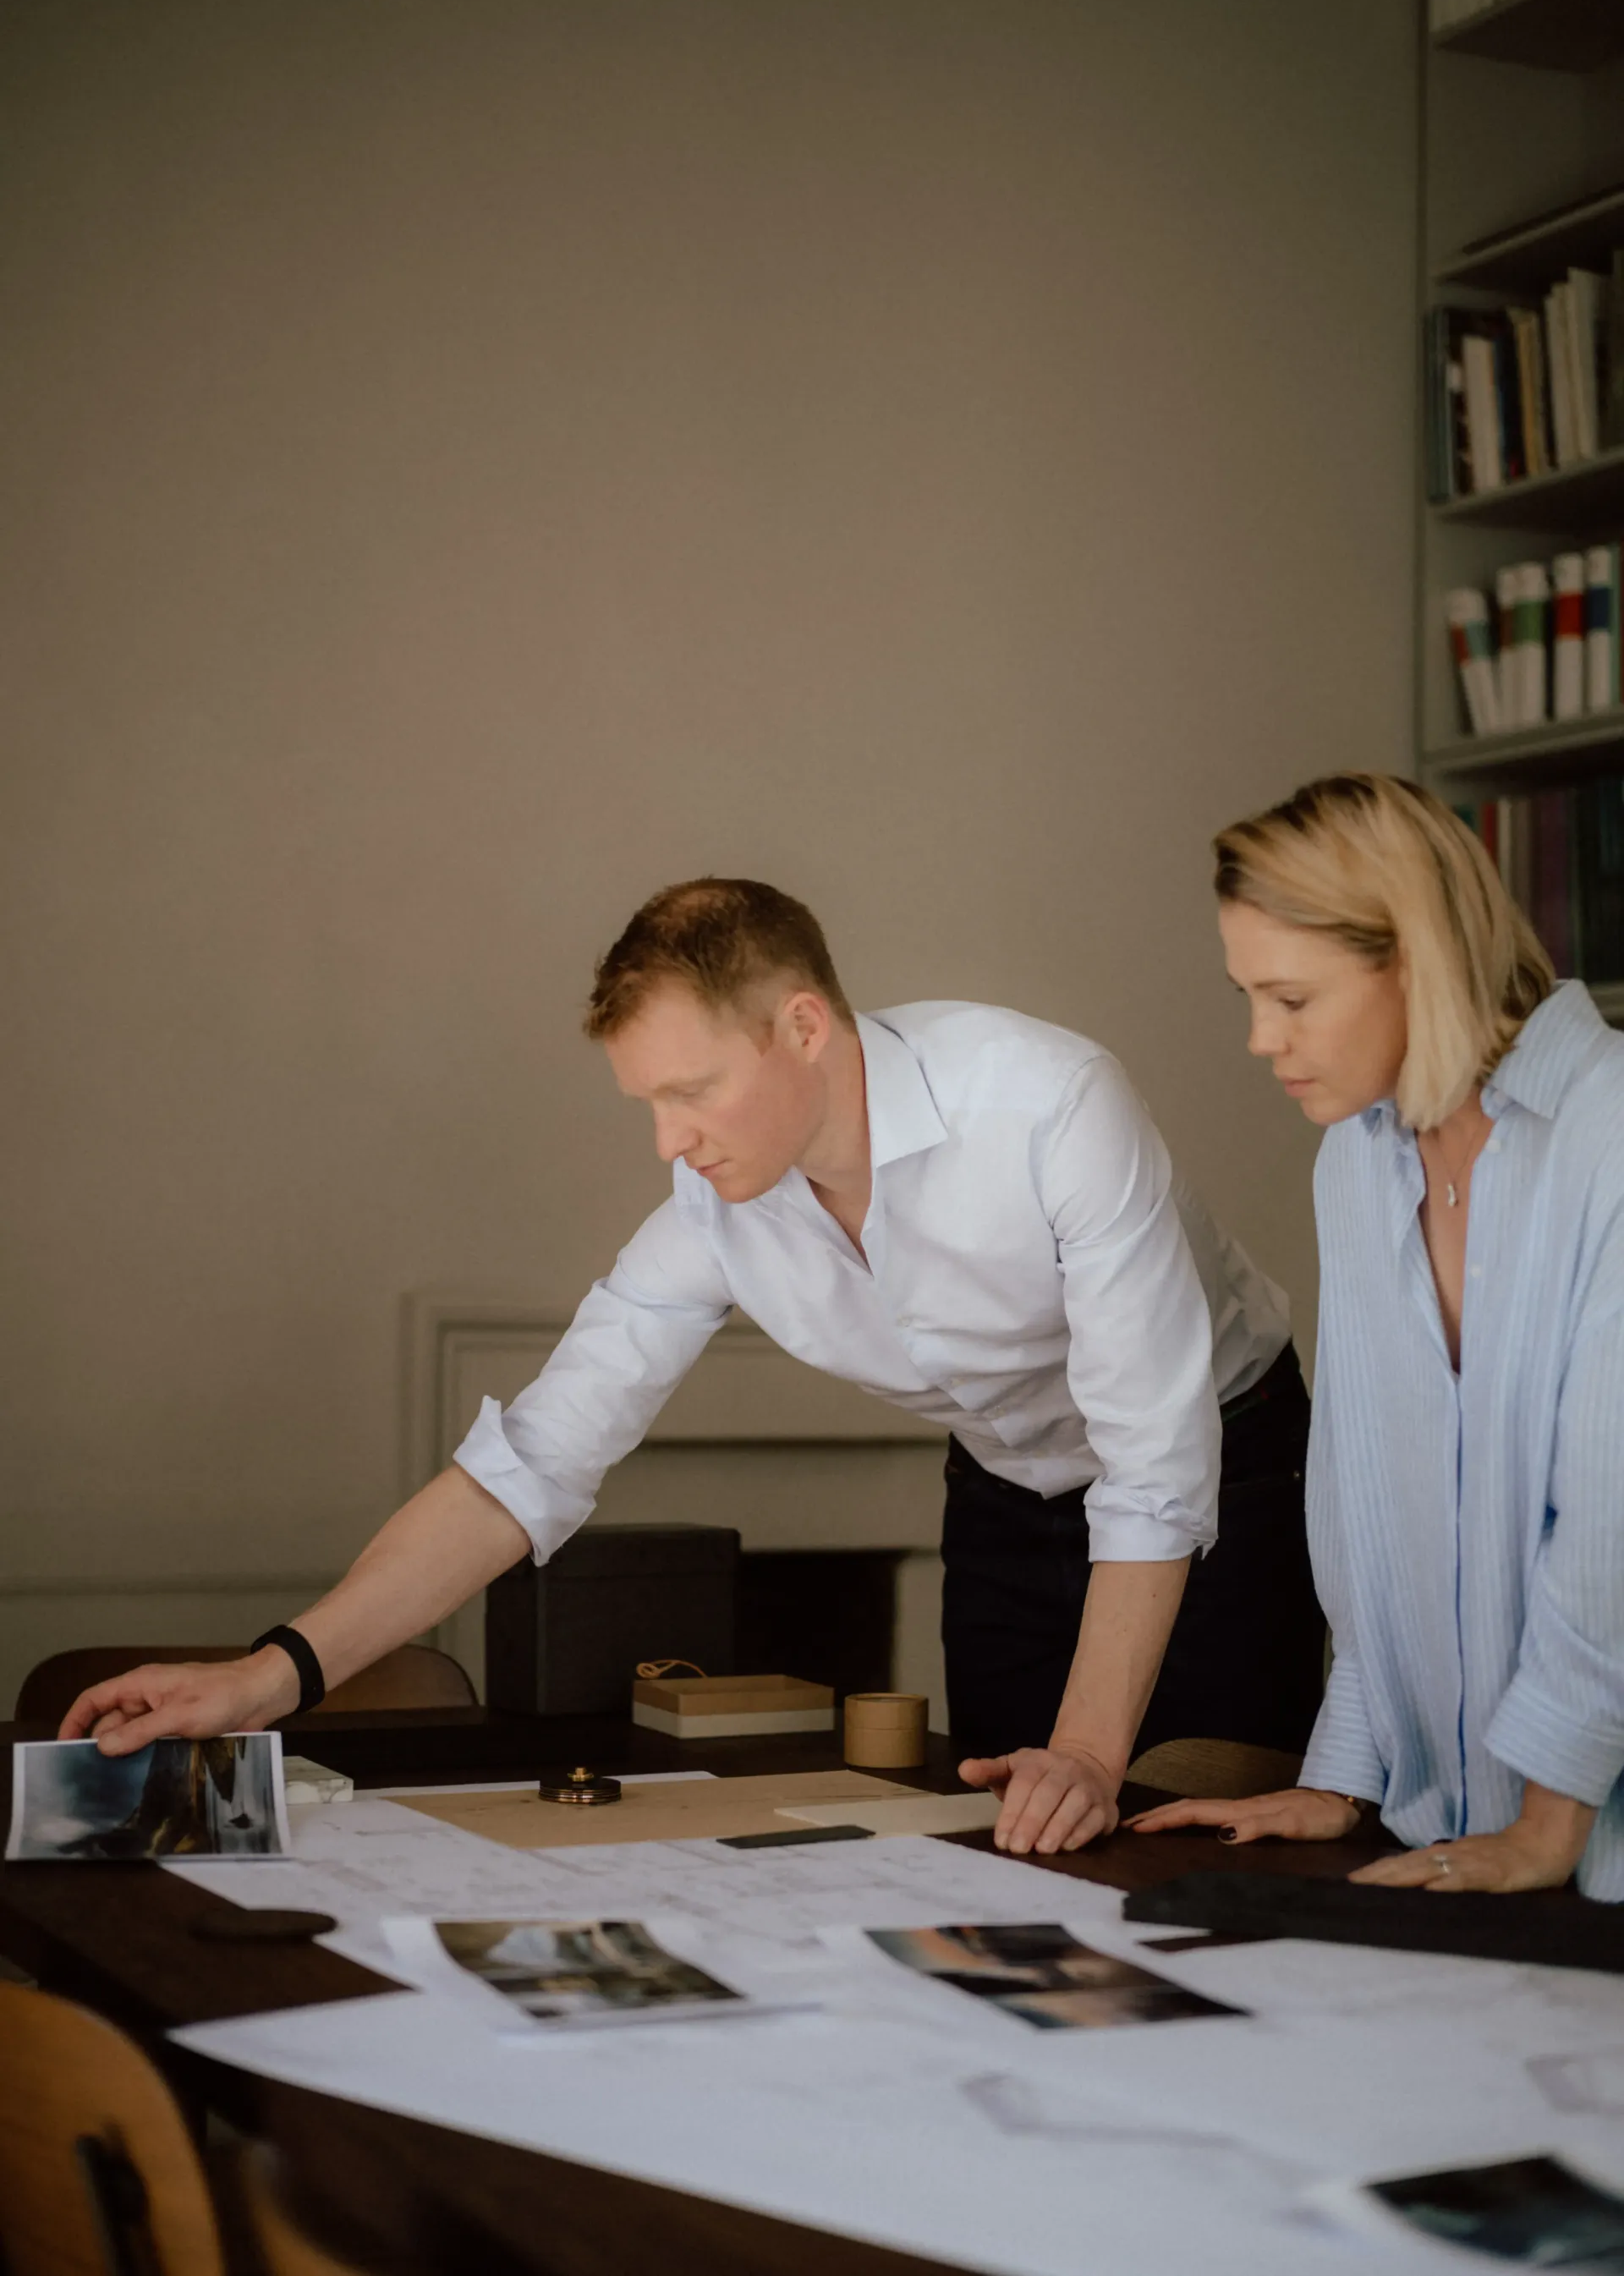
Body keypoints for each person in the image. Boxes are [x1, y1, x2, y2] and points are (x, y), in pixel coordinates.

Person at [61, 880, 1321, 1857]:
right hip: (1002, 1495)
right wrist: (264, 1676)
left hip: (1227, 1469)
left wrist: (1094, 1751)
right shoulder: (717, 1207)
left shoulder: (1049, 1104)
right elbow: (531, 1464)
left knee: (1193, 1842)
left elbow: (1157, 1467)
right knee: (1018, 1851)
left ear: (804, 1028)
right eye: (647, 1105)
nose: (671, 1141)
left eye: (694, 1092)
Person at [1131, 773, 1624, 1900]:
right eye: (1248, 994)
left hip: (1592, 1859)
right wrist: (1344, 1776)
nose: (1261, 1038)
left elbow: (1611, 1529)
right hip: (1447, 1839)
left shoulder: (1610, 1139)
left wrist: (1547, 1829)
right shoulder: (1356, 1159)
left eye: (1292, 1000)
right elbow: (1370, 1512)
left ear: (1415, 958)